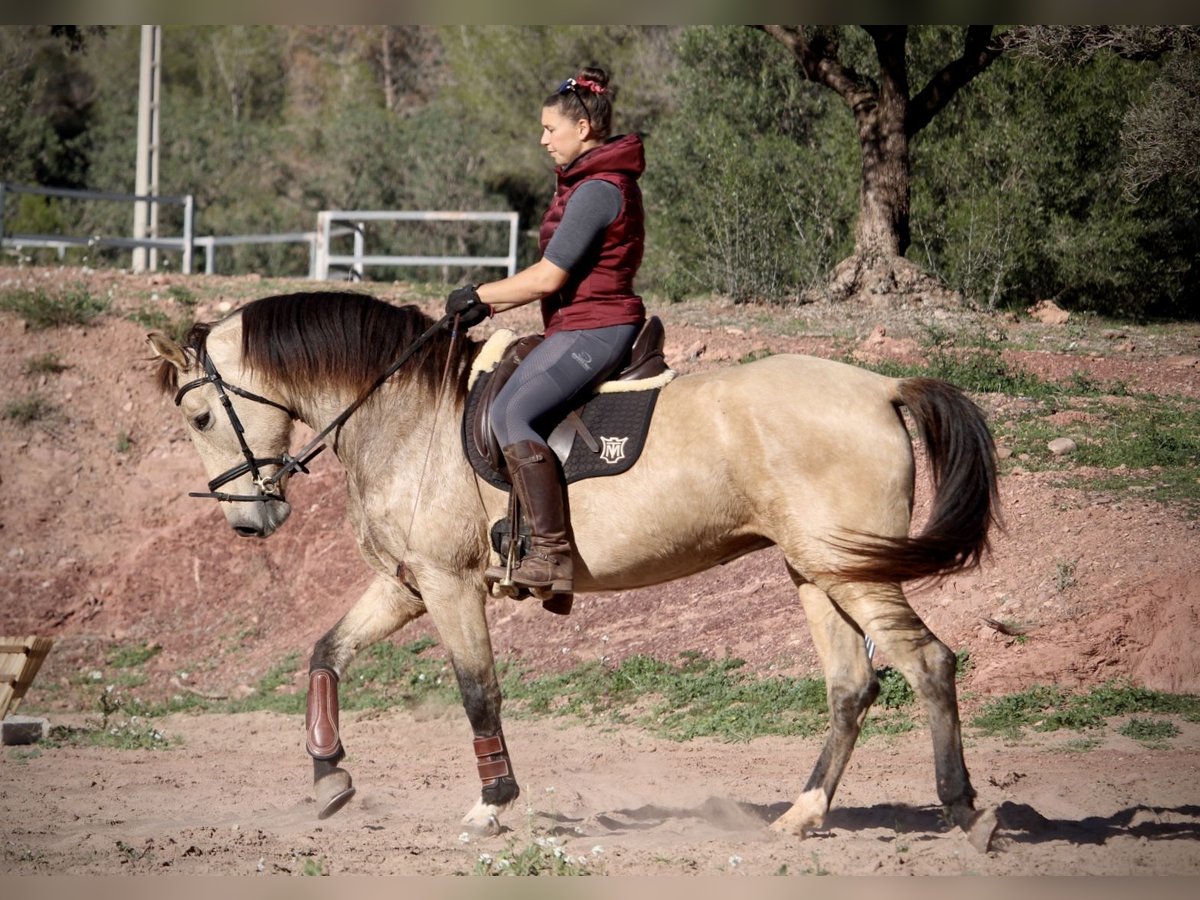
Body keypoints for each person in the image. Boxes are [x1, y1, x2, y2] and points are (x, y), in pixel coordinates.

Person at [444, 65, 646, 603]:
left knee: (512, 413)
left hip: (598, 326)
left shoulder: (599, 190)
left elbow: (549, 277)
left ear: (582, 128)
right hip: (578, 323)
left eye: (549, 129)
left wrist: (480, 297)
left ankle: (552, 552)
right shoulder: (585, 183)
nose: (541, 139)